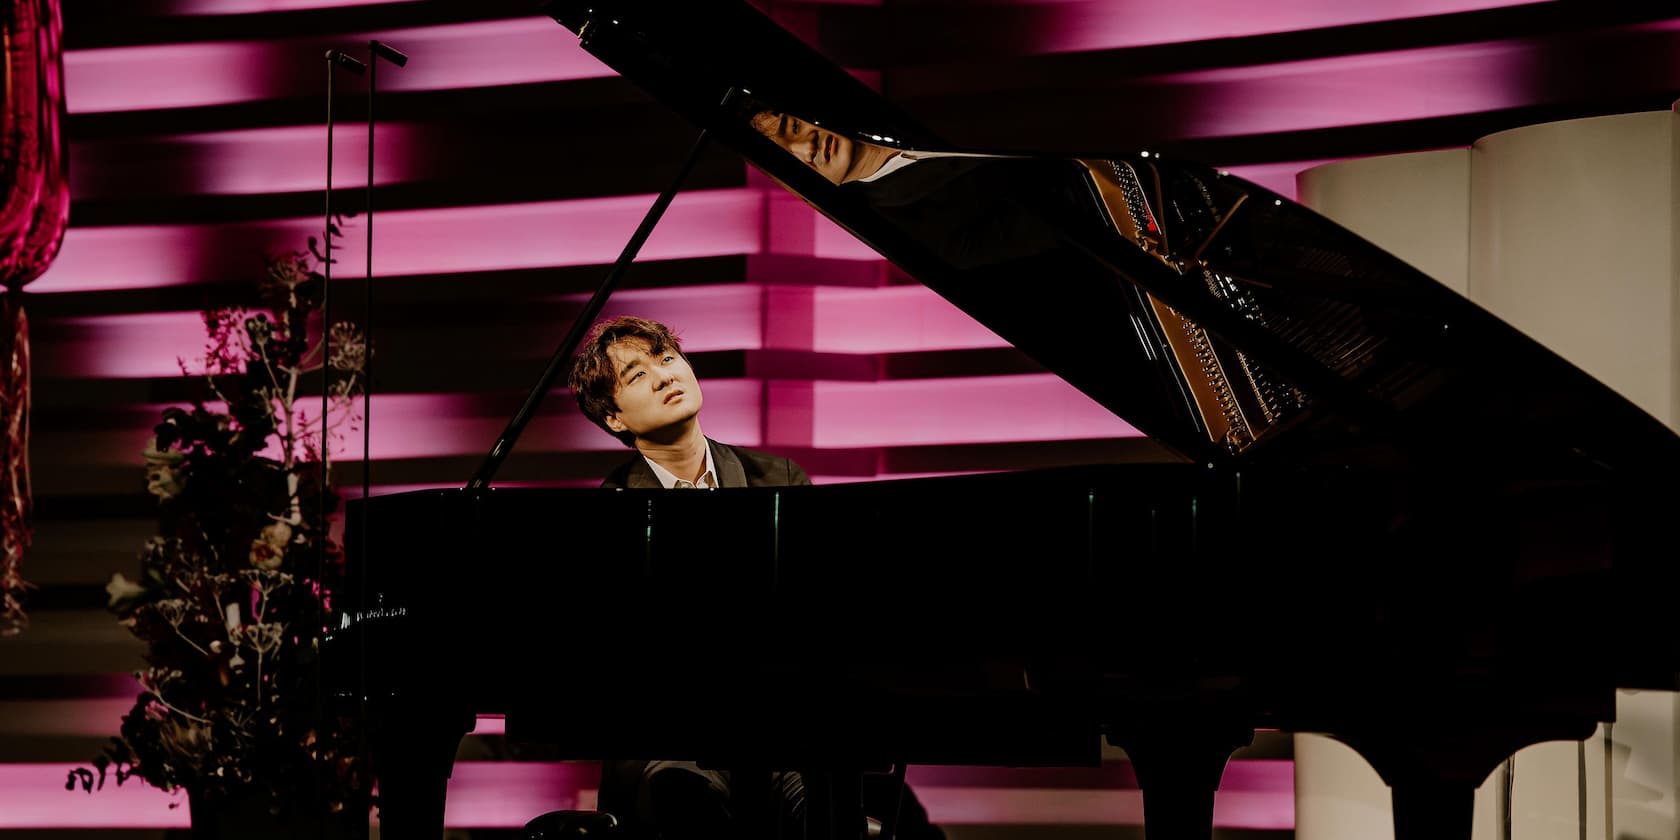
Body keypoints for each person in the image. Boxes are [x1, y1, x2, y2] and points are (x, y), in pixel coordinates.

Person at [564, 314, 944, 840]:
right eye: (636, 375)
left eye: (668, 359)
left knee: (838, 811)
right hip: (672, 744)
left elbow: (826, 609)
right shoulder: (611, 513)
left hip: (781, 732)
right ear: (614, 419)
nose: (663, 376)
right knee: (681, 798)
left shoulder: (778, 479)